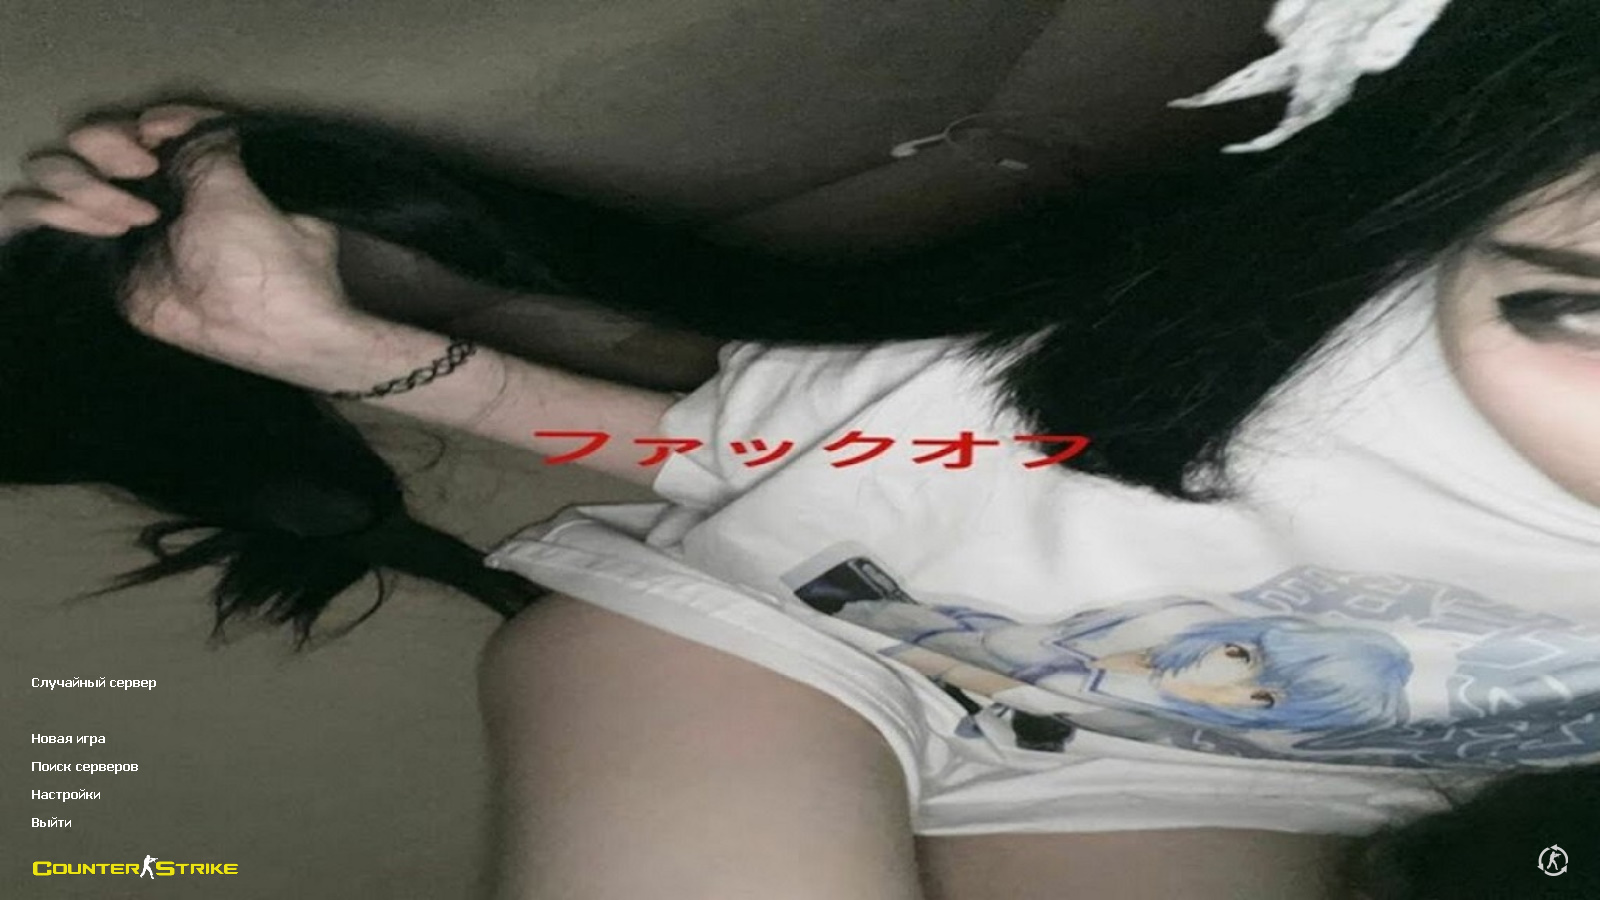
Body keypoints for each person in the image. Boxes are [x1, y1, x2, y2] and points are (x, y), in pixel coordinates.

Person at [3, 0, 1598, 896]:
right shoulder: (1312, 378)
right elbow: (746, 451)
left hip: (1236, 780)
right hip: (794, 638)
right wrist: (350, 356)